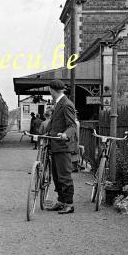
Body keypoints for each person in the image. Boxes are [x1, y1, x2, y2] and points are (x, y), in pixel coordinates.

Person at [46, 80, 78, 214]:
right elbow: (53, 123)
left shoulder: (66, 104)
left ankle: (69, 204)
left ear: (52, 90)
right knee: (56, 176)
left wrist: (65, 135)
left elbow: (72, 125)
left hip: (63, 145)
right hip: (55, 145)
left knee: (64, 176)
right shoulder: (59, 103)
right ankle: (61, 201)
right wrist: (44, 133)